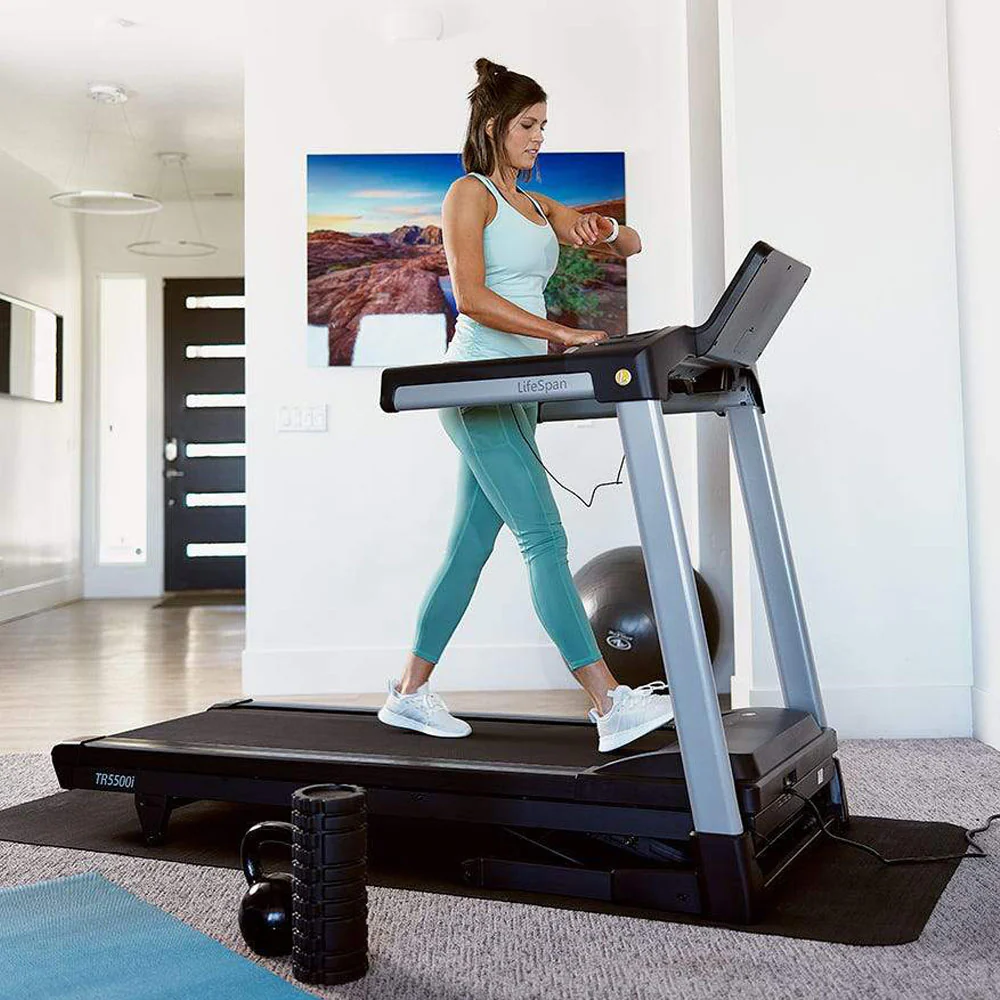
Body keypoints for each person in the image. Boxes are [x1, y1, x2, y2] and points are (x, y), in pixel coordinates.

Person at [378, 57, 673, 752]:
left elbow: (632, 242)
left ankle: (409, 693)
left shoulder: (538, 207)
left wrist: (606, 232)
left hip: (518, 391)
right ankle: (608, 703)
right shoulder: (469, 194)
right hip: (476, 383)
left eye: (544, 125)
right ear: (493, 127)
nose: (539, 136)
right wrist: (562, 333)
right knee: (544, 537)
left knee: (468, 548)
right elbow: (473, 298)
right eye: (528, 125)